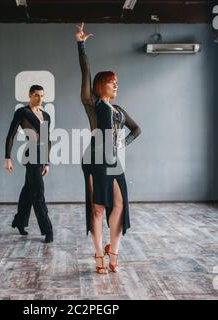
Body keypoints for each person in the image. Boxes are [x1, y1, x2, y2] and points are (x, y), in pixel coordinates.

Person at [75, 23, 141, 273]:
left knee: (120, 206)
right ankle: (98, 256)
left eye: (117, 83)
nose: (116, 86)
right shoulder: (93, 104)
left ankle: (113, 252)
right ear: (101, 84)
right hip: (94, 159)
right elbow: (85, 73)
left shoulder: (119, 110)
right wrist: (81, 45)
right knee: (98, 207)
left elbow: (137, 130)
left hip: (113, 160)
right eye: (112, 82)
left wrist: (125, 141)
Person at [4, 85, 54, 243]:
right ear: (30, 96)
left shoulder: (46, 115)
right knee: (38, 192)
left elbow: (47, 139)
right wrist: (7, 158)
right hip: (31, 155)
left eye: (42, 96)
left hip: (41, 156)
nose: (40, 98)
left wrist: (47, 162)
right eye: (37, 95)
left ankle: (19, 220)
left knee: (28, 190)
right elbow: (11, 135)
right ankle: (48, 230)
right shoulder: (22, 112)